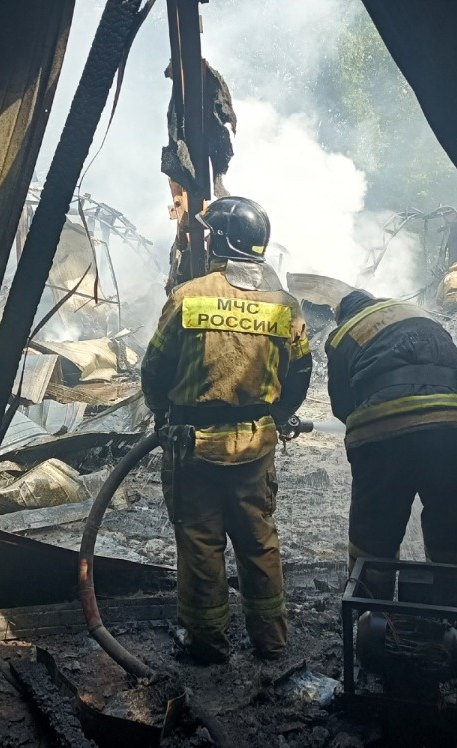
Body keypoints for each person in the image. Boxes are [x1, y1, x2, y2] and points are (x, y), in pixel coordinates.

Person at [141, 196, 312, 663]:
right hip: (255, 444)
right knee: (258, 542)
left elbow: (154, 368)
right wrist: (278, 414)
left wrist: (162, 415)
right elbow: (301, 372)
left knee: (201, 544)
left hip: (192, 447)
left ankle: (208, 644)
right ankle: (271, 641)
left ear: (220, 241)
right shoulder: (284, 305)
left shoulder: (188, 296)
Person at [325, 289, 457, 604]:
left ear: (343, 314)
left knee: (375, 528)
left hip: (385, 430)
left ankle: (375, 609)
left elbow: (342, 405)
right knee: (454, 522)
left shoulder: (344, 333)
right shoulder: (414, 313)